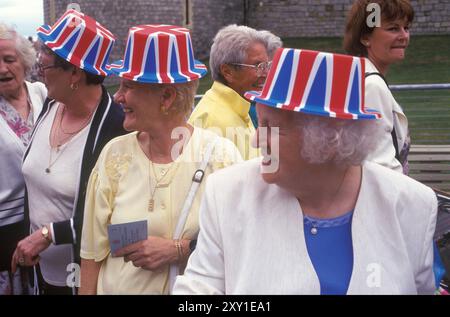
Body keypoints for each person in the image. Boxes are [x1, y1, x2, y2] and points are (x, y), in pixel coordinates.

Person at [174, 48, 438, 295]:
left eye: (270, 127)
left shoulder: (412, 206)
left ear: (328, 140)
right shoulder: (228, 194)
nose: (256, 140)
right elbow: (197, 291)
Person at [79, 24, 242, 295]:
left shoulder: (221, 158)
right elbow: (91, 256)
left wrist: (177, 250)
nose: (117, 97)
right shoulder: (113, 156)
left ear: (166, 97)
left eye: (127, 86)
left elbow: (239, 246)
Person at [11, 9, 126, 295]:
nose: (39, 72)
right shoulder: (52, 105)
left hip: (84, 279)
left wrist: (51, 234)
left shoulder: (116, 127)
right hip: (42, 273)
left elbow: (122, 220)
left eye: (46, 67)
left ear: (74, 72)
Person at [0, 23, 46, 295]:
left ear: (24, 61)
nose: (2, 69)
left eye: (9, 59)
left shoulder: (42, 93)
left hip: (43, 221)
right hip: (5, 227)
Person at [188, 24, 281, 160]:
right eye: (258, 66)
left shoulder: (239, 106)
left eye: (267, 65)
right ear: (227, 72)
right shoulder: (214, 121)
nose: (266, 74)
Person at [343, 0, 413, 174]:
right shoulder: (372, 86)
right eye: (393, 28)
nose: (404, 35)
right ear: (366, 37)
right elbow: (383, 167)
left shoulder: (358, 78)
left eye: (406, 27)